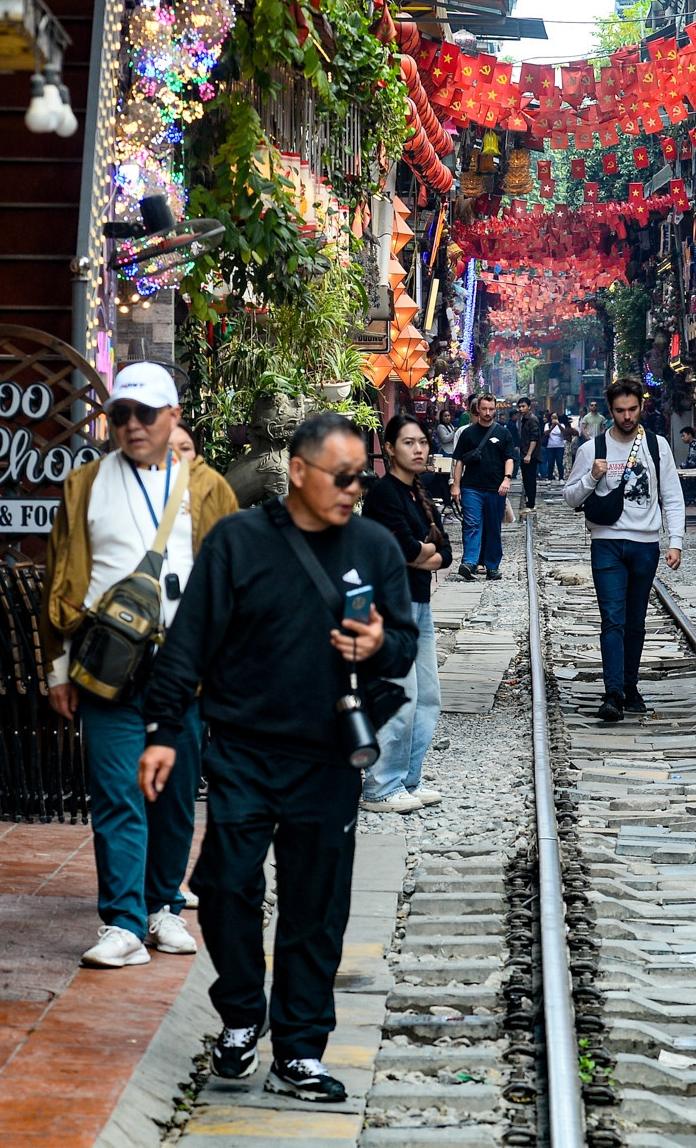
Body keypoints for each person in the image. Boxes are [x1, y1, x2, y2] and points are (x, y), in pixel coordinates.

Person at [138, 412, 417, 1102]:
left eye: (362, 475)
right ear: (298, 471)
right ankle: (240, 1014)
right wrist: (164, 731)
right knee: (227, 884)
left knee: (314, 905)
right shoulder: (239, 540)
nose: (356, 488)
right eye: (342, 476)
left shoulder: (377, 547)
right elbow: (191, 641)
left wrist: (376, 645)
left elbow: (404, 647)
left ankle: (299, 1048)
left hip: (327, 755)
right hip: (242, 749)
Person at [41, 363, 238, 969]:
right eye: (119, 414)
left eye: (144, 414)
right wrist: (56, 671)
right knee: (117, 794)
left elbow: (233, 580)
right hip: (104, 666)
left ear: (173, 417)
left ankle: (163, 908)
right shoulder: (84, 486)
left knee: (176, 795)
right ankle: (123, 921)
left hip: (185, 670)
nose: (130, 425)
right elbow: (59, 581)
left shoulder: (207, 489)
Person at [562, 378, 685, 723]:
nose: (627, 416)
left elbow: (672, 497)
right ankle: (613, 692)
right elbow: (570, 497)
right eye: (620, 410)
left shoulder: (657, 447)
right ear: (610, 410)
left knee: (635, 621)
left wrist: (675, 541)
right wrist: (591, 478)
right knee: (612, 619)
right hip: (607, 543)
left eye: (632, 409)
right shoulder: (592, 449)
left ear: (641, 407)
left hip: (646, 545)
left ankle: (630, 686)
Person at [360, 415, 448, 815]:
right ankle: (381, 785)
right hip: (390, 607)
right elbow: (408, 552)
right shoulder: (383, 495)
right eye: (409, 442)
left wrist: (421, 554)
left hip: (420, 604)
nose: (419, 449)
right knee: (401, 696)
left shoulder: (419, 493)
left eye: (423, 442)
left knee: (428, 697)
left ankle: (408, 778)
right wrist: (421, 553)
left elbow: (443, 553)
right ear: (390, 448)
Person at [450, 393, 513, 580]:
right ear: (477, 409)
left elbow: (509, 458)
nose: (487, 413)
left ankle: (492, 566)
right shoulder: (467, 433)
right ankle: (470, 562)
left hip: (496, 488)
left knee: (493, 526)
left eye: (491, 409)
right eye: (484, 409)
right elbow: (459, 461)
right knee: (472, 524)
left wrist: (507, 479)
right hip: (471, 487)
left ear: (495, 409)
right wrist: (456, 485)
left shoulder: (503, 433)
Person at [544, 412, 569, 478]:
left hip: (560, 446)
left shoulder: (562, 425)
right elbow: (546, 433)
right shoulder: (547, 425)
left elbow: (564, 432)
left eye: (555, 417)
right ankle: (550, 477)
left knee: (559, 462)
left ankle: (561, 477)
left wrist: (558, 425)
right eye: (552, 417)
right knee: (550, 462)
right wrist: (552, 426)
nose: (553, 418)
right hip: (550, 446)